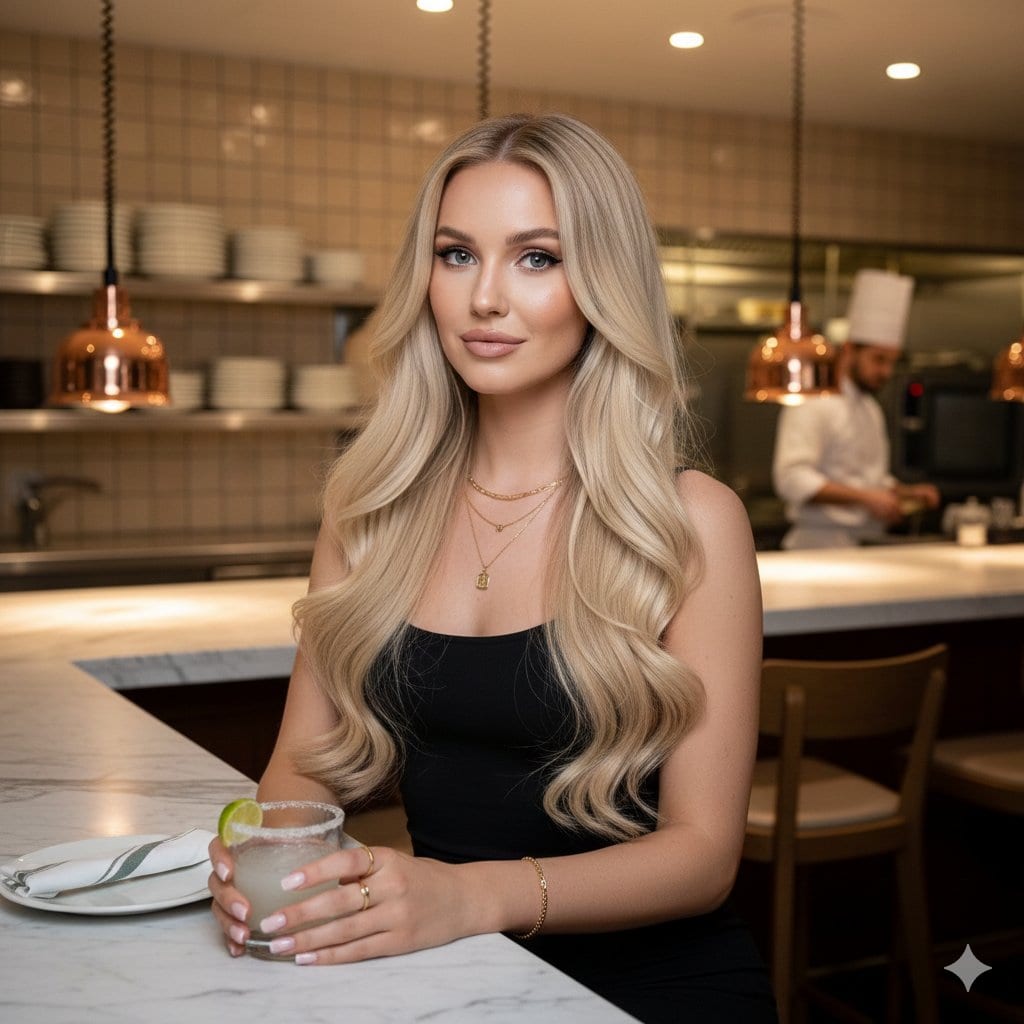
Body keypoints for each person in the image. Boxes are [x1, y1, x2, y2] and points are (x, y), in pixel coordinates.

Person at [208, 113, 777, 1023]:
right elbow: (302, 770)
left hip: (651, 987)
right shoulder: (368, 509)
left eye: (537, 258)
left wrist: (472, 897)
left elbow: (703, 857)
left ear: (602, 283)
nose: (485, 299)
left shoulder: (691, 521)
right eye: (457, 254)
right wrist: (272, 863)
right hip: (438, 980)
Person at [772, 269, 940, 549]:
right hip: (818, 546)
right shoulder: (812, 403)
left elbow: (869, 478)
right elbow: (792, 480)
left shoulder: (870, 408)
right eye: (878, 359)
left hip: (868, 541)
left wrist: (905, 493)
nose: (886, 371)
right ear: (849, 350)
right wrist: (868, 499)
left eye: (891, 362)